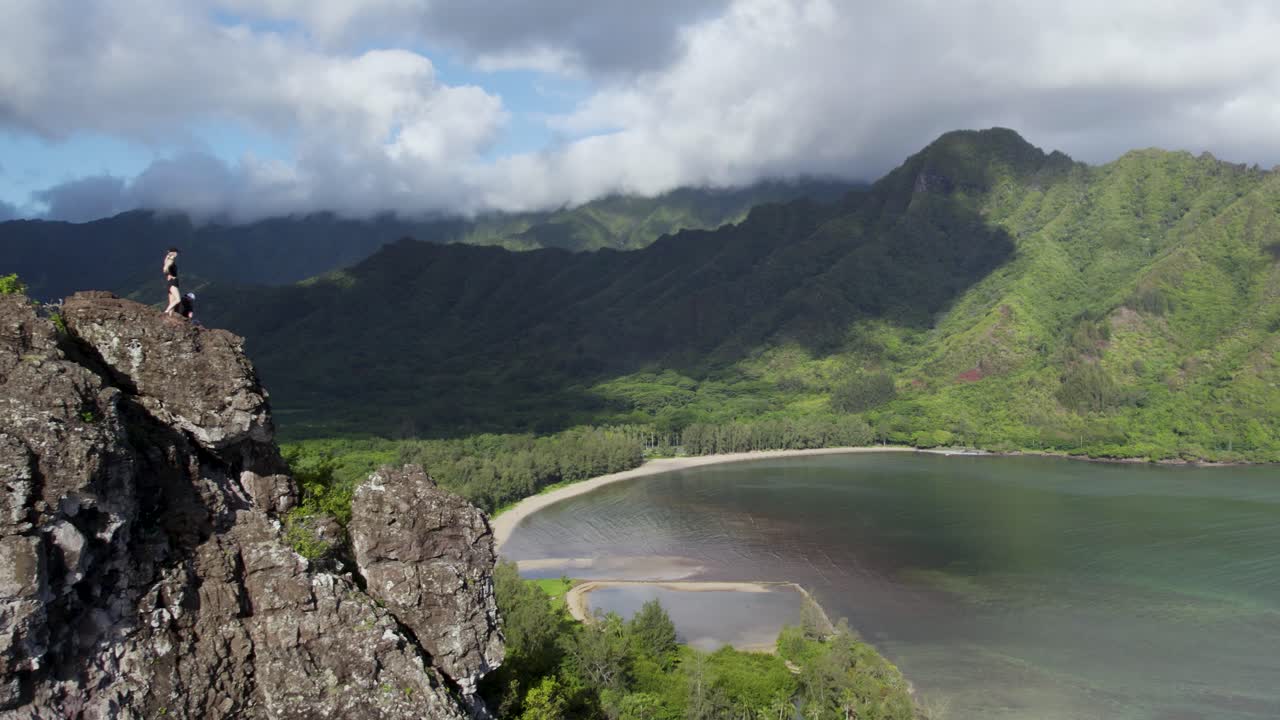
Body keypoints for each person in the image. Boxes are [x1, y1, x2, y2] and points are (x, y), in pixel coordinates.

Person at [163, 247, 182, 315]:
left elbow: (165, 266)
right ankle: (166, 312)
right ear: (173, 252)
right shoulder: (171, 259)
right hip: (173, 282)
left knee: (172, 302)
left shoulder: (167, 259)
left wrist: (167, 273)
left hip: (170, 282)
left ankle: (169, 316)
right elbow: (165, 268)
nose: (177, 254)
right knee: (178, 299)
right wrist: (167, 272)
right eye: (176, 252)